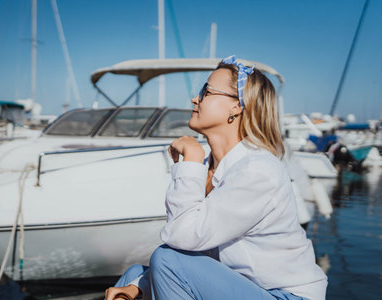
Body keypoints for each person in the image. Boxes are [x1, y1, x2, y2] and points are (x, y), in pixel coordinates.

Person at [105, 55, 327, 300]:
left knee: (166, 259)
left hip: (285, 295)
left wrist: (190, 161)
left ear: (236, 106)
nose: (195, 98)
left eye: (206, 91)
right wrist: (139, 286)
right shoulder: (211, 164)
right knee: (135, 277)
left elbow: (182, 237)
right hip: (244, 288)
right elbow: (191, 248)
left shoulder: (258, 170)